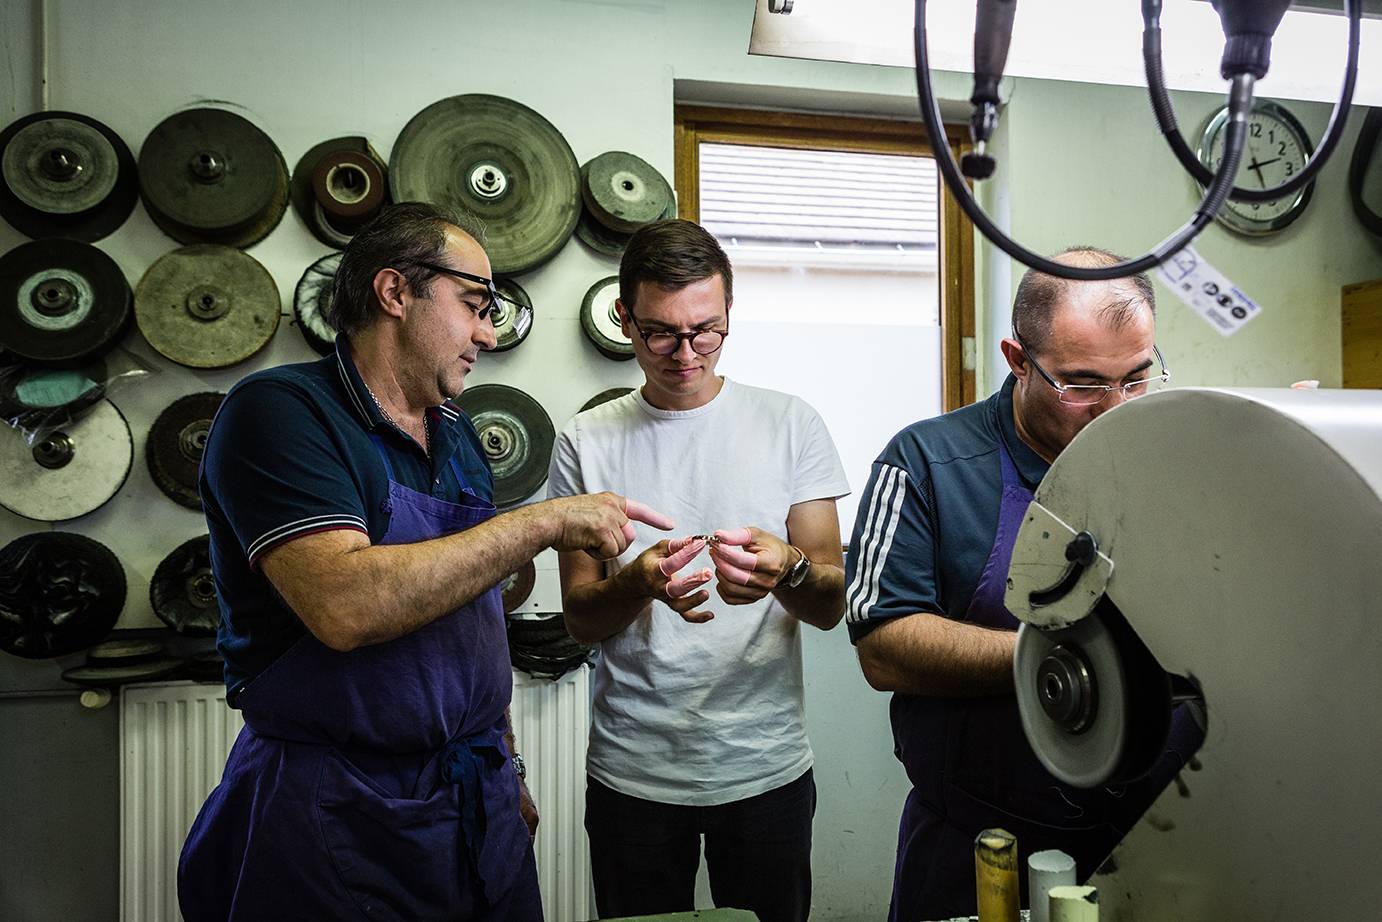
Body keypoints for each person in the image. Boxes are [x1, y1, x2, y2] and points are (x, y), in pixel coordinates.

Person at [179, 202, 671, 922]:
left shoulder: (458, 435)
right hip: (338, 805)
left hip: (477, 797)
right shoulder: (282, 412)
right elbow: (346, 606)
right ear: (394, 292)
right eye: (474, 305)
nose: (488, 332)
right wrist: (544, 520)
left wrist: (510, 769)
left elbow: (474, 624)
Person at [846, 248, 1200, 920]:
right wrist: (1066, 663)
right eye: (1083, 384)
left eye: (1136, 378)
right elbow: (883, 646)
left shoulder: (1178, 454)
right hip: (982, 844)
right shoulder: (927, 464)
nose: (1115, 409)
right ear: (1017, 359)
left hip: (1159, 835)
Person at [546, 219, 850, 922]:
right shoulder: (585, 441)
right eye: (660, 332)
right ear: (624, 318)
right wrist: (638, 582)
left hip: (764, 764)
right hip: (634, 771)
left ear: (728, 315)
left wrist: (790, 570)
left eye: (705, 331)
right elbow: (581, 618)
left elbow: (831, 603)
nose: (686, 353)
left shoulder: (790, 424)